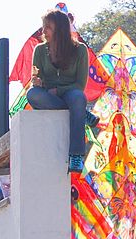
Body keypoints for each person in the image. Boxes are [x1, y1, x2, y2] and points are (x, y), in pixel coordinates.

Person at [26, 9, 98, 173]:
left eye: (48, 27)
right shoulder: (39, 50)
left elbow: (80, 85)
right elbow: (36, 77)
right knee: (32, 94)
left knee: (78, 97)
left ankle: (76, 155)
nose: (43, 31)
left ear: (60, 29)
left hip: (71, 93)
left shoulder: (79, 50)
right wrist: (37, 82)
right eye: (43, 27)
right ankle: (80, 113)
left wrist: (57, 91)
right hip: (48, 95)